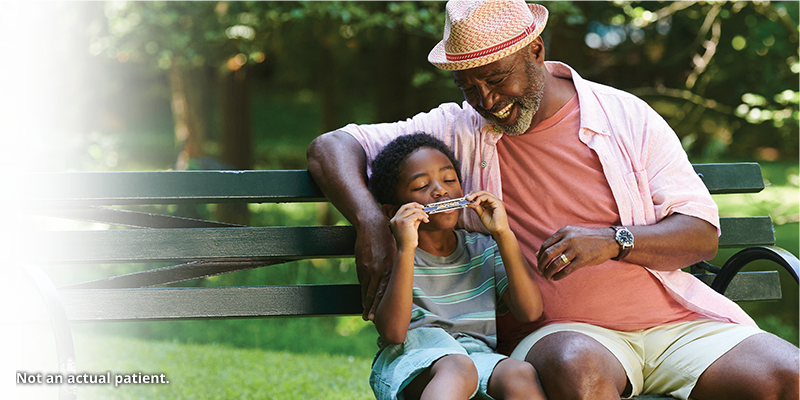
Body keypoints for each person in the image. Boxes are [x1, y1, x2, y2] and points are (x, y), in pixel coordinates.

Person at [306, 0, 800, 398]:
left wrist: (613, 241)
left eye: (497, 79)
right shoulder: (457, 130)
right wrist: (372, 224)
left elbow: (701, 235)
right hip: (567, 335)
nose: (487, 100)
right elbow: (331, 147)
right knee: (577, 373)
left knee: (790, 375)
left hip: (678, 324)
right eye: (468, 86)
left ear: (536, 51)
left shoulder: (626, 116)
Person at [367, 132, 546, 400]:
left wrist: (503, 234)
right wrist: (405, 249)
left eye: (449, 180)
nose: (440, 190)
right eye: (421, 186)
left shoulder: (483, 249)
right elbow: (393, 333)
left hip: (476, 356)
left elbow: (530, 311)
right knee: (457, 366)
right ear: (393, 212)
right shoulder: (394, 255)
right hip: (411, 360)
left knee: (517, 374)